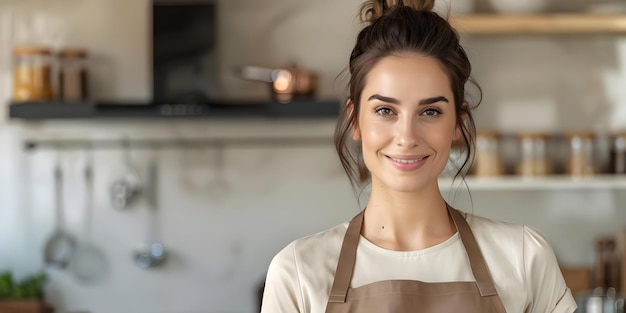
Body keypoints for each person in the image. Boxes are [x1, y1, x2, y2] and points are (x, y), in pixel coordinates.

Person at [260, 0, 577, 312]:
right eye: (385, 110)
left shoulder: (524, 258)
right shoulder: (298, 273)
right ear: (355, 120)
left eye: (430, 111)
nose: (407, 137)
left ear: (458, 123)